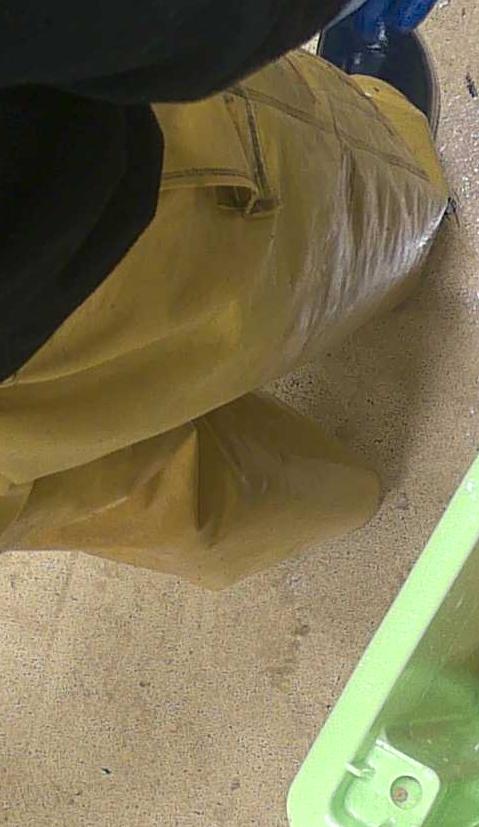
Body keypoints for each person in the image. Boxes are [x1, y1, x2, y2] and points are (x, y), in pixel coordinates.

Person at [0, 1, 449, 588]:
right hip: (54, 230)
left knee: (104, 483)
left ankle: (316, 502)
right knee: (325, 198)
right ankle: (404, 188)